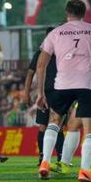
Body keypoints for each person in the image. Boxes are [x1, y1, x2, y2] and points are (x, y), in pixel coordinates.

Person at [35, 0, 91, 182]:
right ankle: (84, 170)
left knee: (55, 121)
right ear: (84, 13)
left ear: (67, 13)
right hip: (87, 85)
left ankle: (45, 161)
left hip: (62, 85)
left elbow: (41, 65)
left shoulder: (56, 33)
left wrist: (40, 93)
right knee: (90, 129)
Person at [23, 27, 64, 166]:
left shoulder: (62, 53)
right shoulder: (40, 54)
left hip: (60, 92)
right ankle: (42, 156)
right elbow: (30, 73)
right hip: (45, 93)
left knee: (59, 125)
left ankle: (61, 157)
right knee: (42, 126)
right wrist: (26, 92)